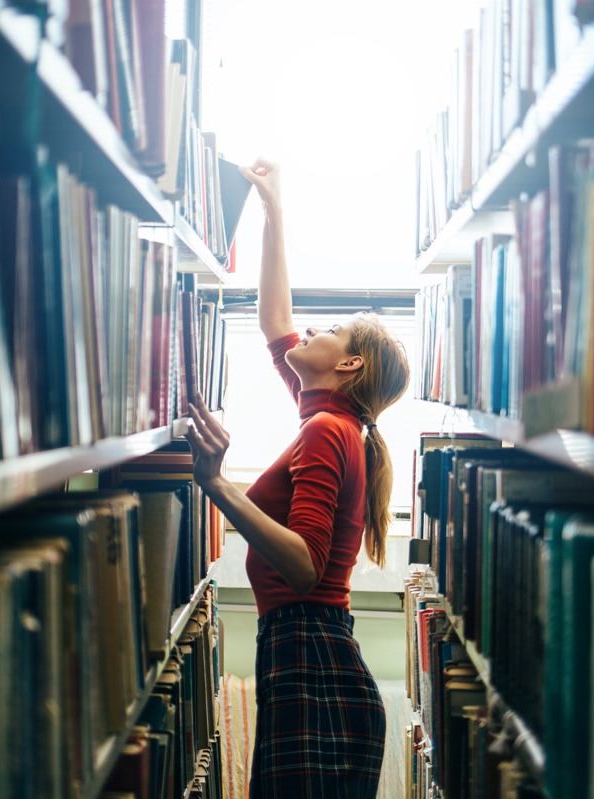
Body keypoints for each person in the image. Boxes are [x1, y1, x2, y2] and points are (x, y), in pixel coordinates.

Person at [184, 159, 410, 798]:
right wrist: (273, 208)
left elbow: (306, 565)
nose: (310, 330)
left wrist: (217, 485)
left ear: (349, 364)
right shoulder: (330, 415)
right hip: (310, 653)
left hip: (309, 655)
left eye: (330, 331)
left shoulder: (326, 431)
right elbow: (274, 319)